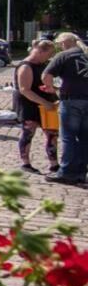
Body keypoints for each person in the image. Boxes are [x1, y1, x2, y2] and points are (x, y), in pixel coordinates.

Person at [43, 32, 88, 186]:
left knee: (68, 137)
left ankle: (67, 172)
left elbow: (46, 76)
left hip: (71, 101)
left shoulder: (64, 55)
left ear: (64, 43)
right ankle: (81, 173)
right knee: (84, 139)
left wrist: (51, 88)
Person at [13, 40, 58, 174]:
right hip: (29, 104)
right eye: (48, 54)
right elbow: (25, 89)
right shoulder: (26, 66)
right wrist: (45, 103)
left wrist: (53, 90)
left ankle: (54, 164)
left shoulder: (43, 64)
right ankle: (26, 163)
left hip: (46, 103)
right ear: (40, 51)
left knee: (52, 134)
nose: (49, 57)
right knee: (28, 133)